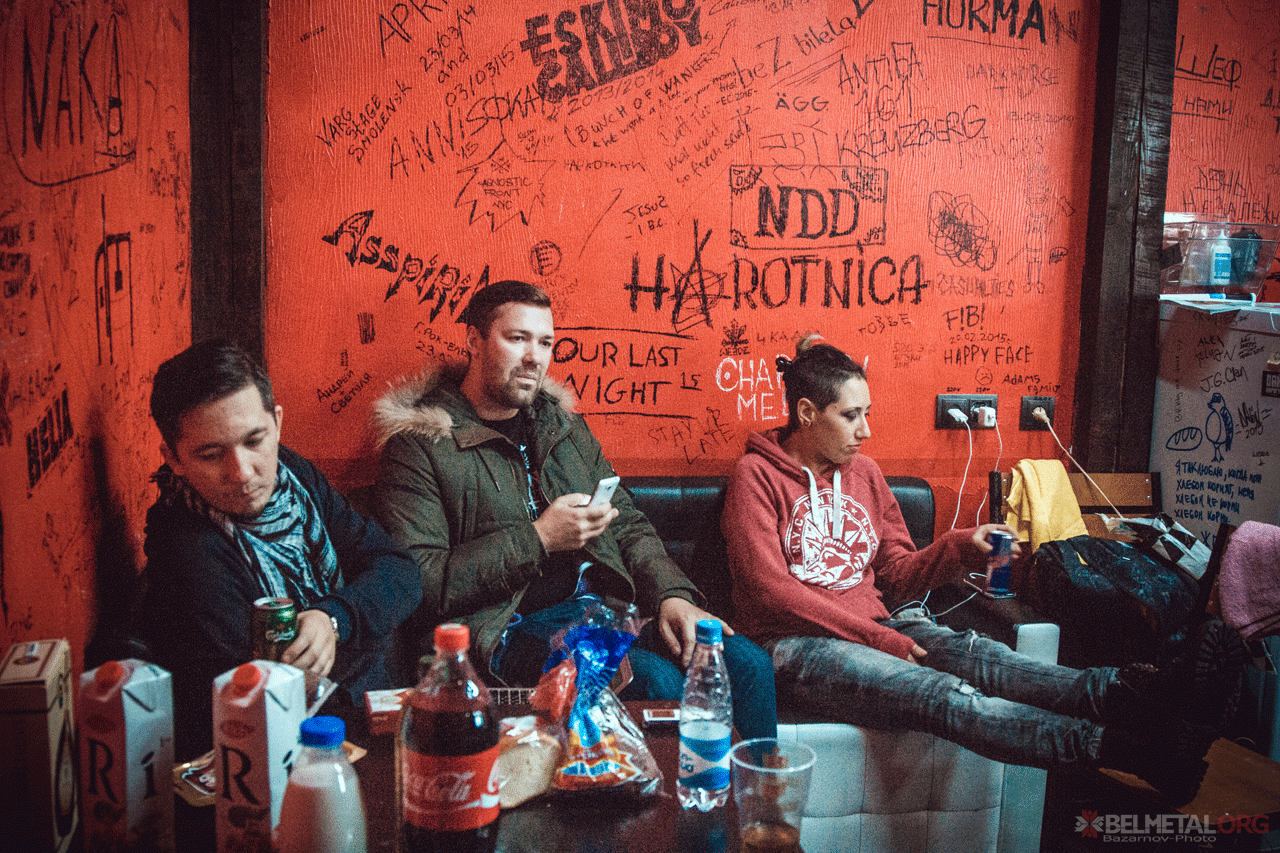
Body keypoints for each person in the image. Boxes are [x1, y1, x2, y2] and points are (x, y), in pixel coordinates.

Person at [721, 334, 1246, 805]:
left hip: (880, 625)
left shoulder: (865, 475)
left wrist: (962, 548)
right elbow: (770, 592)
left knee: (987, 658)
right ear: (807, 413)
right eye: (851, 415)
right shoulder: (755, 476)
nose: (866, 430)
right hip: (794, 645)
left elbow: (897, 574)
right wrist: (879, 639)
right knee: (943, 694)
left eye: (867, 412)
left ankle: (1147, 695)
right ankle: (1131, 752)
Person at [372, 280, 776, 738]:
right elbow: (420, 581)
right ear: (474, 340)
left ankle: (755, 786)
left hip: (600, 613)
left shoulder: (562, 428)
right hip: (503, 632)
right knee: (655, 683)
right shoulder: (420, 445)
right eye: (517, 338)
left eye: (545, 342)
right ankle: (671, 788)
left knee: (746, 664)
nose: (534, 357)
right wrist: (540, 538)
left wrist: (673, 597)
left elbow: (628, 526)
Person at [142, 339, 421, 757]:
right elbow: (260, 700)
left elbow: (399, 570)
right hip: (307, 741)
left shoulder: (293, 476)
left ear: (277, 423)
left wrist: (333, 619)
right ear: (174, 459)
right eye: (211, 455)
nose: (242, 472)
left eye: (254, 440)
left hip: (370, 700)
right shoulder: (189, 554)